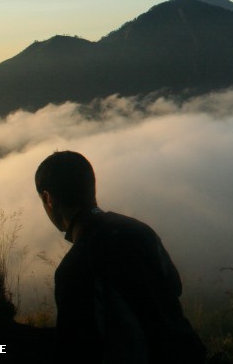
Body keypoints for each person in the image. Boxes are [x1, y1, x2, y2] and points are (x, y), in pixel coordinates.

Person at [35, 150, 207, 363]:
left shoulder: (76, 266)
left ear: (48, 198)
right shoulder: (139, 230)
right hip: (188, 353)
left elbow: (77, 348)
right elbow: (174, 286)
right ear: (91, 187)